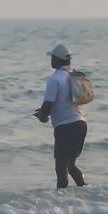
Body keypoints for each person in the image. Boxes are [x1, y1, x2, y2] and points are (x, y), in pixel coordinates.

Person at [33, 42, 87, 189]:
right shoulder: (75, 75)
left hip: (65, 127)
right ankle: (86, 191)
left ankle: (61, 201)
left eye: (52, 58)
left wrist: (42, 116)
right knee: (71, 165)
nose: (51, 60)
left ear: (57, 60)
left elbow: (48, 105)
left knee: (61, 169)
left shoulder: (54, 79)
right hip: (81, 124)